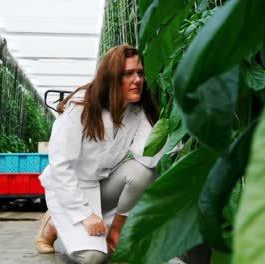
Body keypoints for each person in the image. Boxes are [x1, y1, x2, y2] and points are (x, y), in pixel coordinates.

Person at [35, 45, 166, 264]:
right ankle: (54, 223)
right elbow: (60, 167)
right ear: (111, 77)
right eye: (128, 73)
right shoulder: (80, 108)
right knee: (94, 258)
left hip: (101, 187)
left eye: (140, 73)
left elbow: (148, 158)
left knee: (143, 171)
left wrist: (164, 128)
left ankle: (115, 231)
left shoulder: (135, 109)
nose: (138, 79)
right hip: (68, 189)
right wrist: (85, 216)